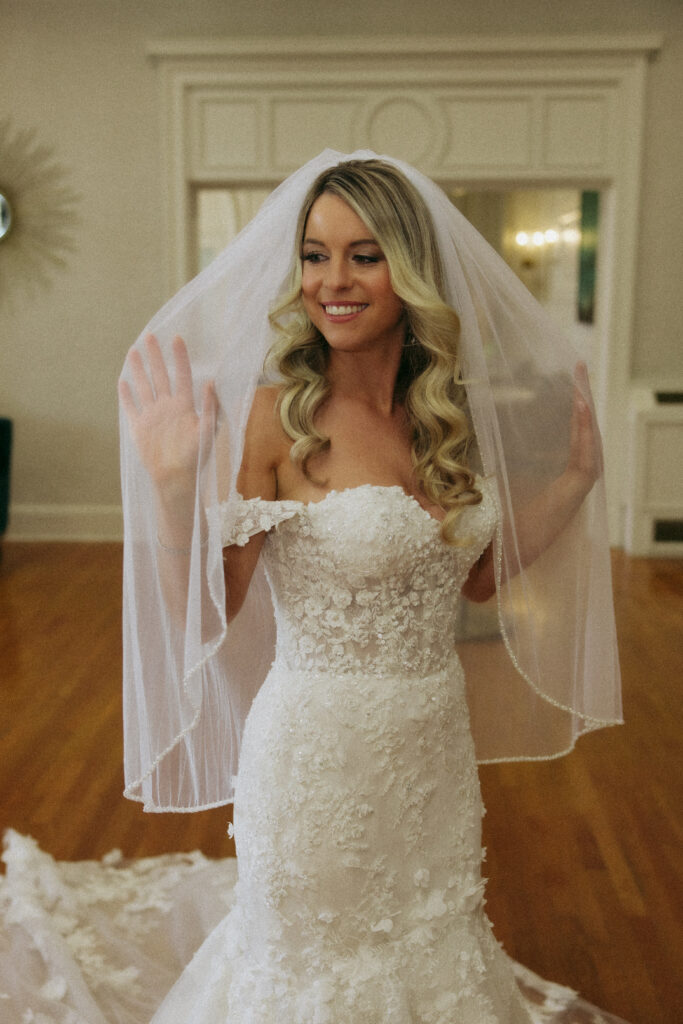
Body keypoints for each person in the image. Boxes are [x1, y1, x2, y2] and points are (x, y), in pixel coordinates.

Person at [0, 152, 625, 1023]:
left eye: (363, 255)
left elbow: (474, 581)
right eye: (314, 254)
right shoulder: (275, 417)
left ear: (408, 270)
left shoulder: (447, 415)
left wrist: (569, 485)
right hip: (313, 759)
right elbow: (208, 613)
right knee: (311, 970)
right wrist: (178, 493)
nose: (332, 280)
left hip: (431, 749)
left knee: (430, 942)